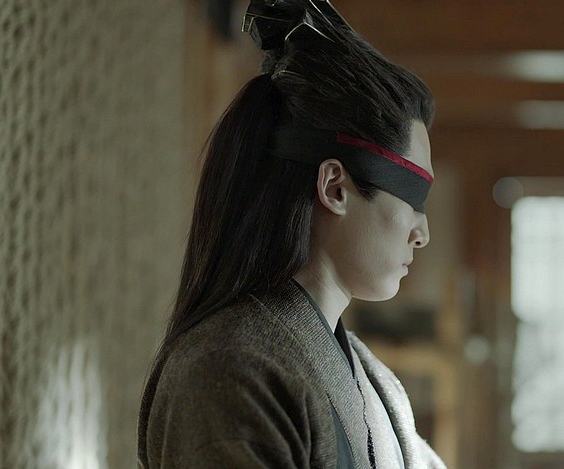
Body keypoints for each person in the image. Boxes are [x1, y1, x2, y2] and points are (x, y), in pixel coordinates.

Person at [137, 0, 445, 467]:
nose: (422, 233)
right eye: (411, 198)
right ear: (335, 187)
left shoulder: (377, 384)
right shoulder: (230, 370)